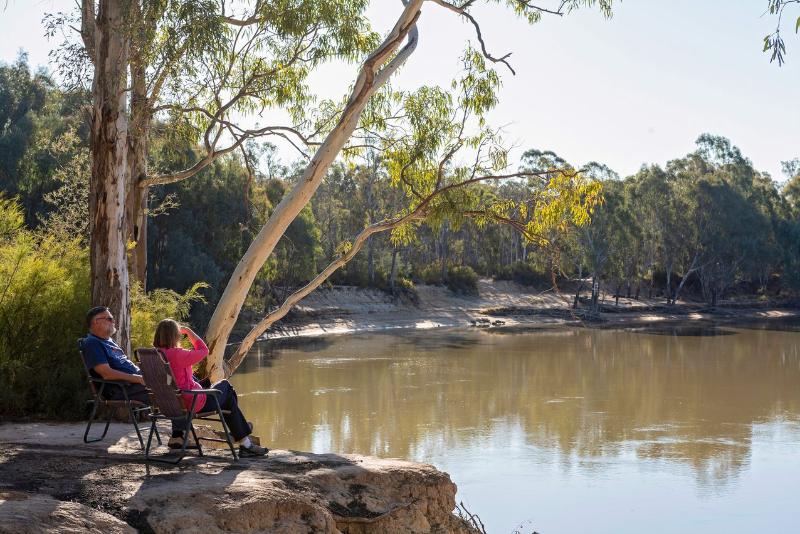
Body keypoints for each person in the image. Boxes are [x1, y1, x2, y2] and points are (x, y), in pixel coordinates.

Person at [153, 318, 267, 457]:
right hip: (193, 402)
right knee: (226, 388)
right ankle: (243, 439)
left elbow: (168, 381)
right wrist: (189, 332)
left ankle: (177, 435)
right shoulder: (178, 354)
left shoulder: (154, 355)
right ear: (174, 335)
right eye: (178, 333)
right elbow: (204, 350)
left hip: (167, 403)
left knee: (209, 386)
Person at [81, 305, 178, 439]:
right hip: (121, 390)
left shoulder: (109, 341)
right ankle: (179, 435)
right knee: (174, 391)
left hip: (134, 384)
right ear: (96, 321)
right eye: (109, 318)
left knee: (176, 380)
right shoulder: (92, 343)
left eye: (113, 318)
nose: (113, 321)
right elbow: (106, 373)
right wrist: (138, 378)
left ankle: (199, 387)